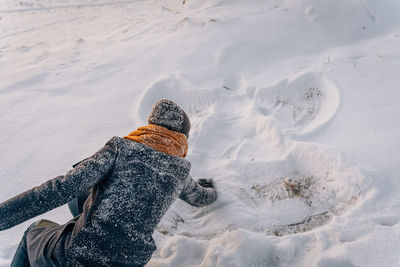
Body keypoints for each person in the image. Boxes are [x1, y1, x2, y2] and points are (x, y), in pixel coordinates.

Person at [0, 99, 217, 267]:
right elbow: (200, 198)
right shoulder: (180, 171)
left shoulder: (120, 148)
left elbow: (59, 190)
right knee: (85, 199)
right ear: (181, 139)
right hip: (130, 260)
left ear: (151, 126)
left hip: (81, 253)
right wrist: (211, 188)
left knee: (34, 231)